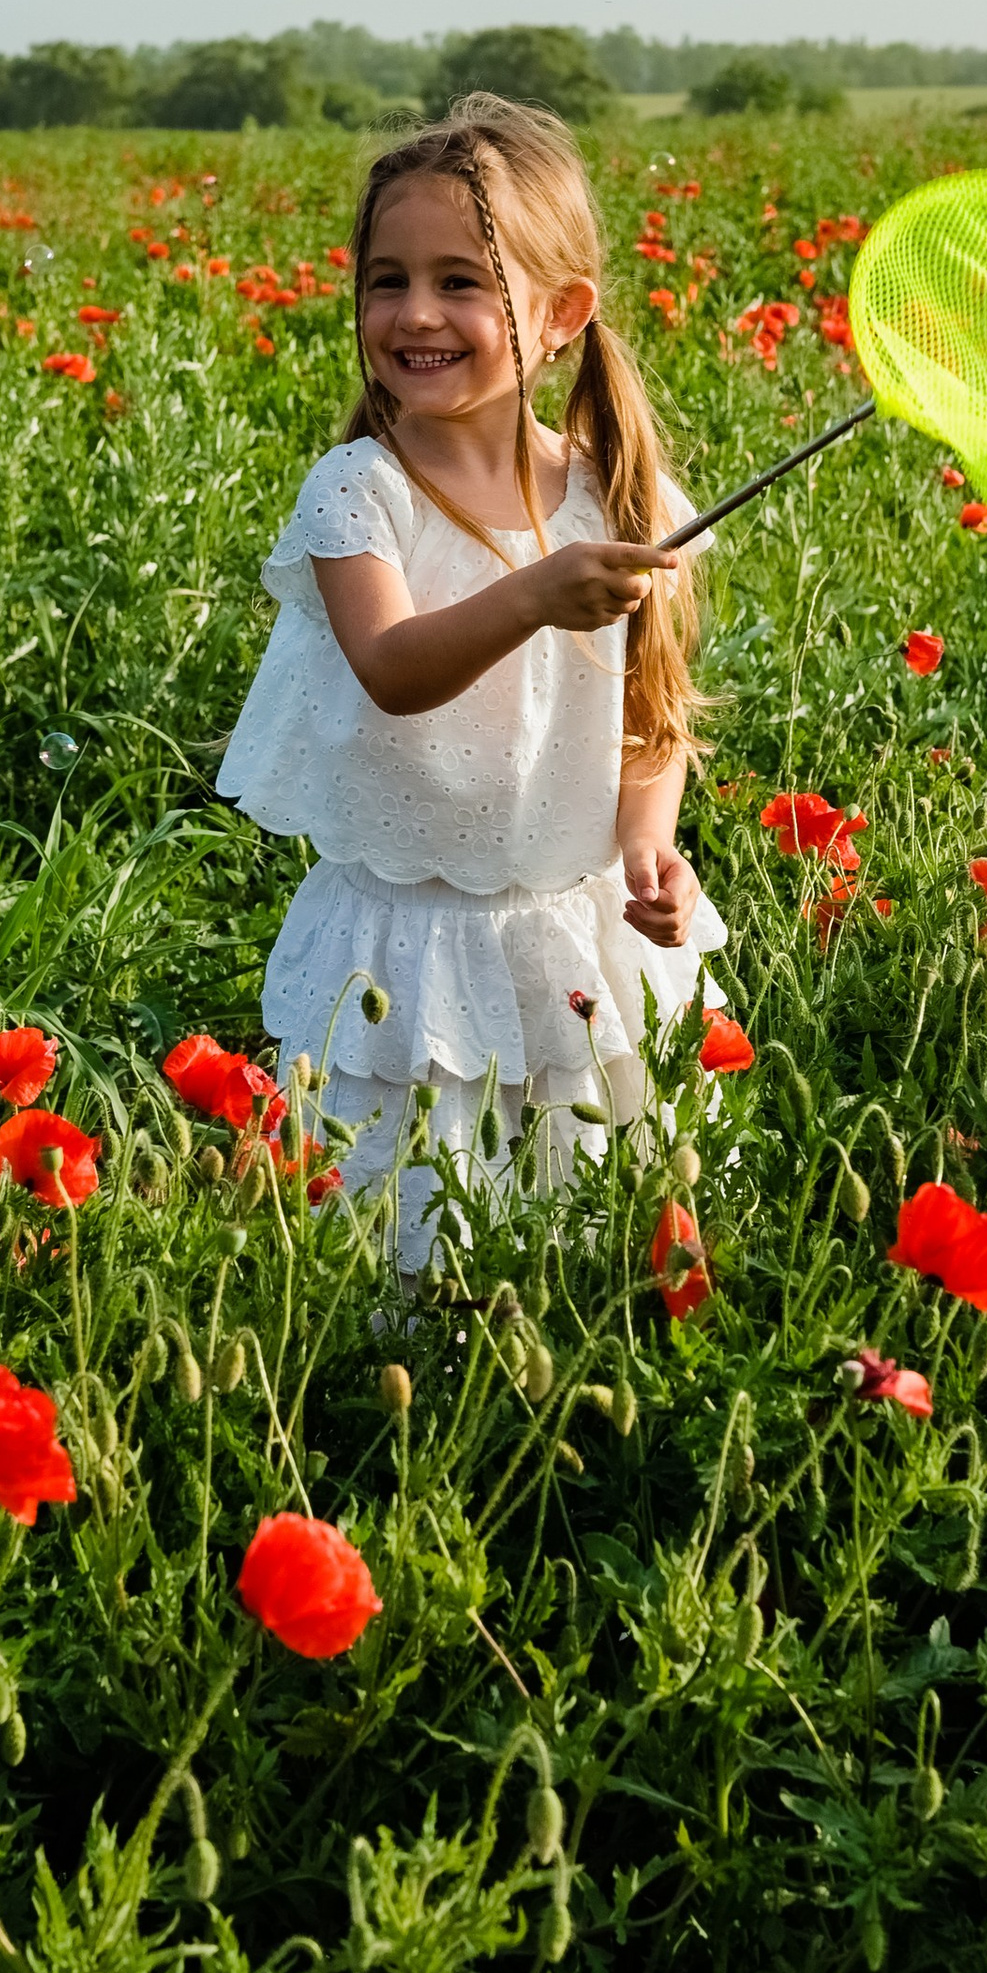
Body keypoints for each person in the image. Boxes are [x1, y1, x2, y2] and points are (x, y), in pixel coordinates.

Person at [217, 94, 726, 1266]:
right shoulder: (359, 492)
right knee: (406, 1249)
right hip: (403, 949)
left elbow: (648, 720)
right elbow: (394, 670)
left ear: (559, 316)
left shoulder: (618, 496)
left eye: (460, 282)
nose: (414, 313)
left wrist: (648, 845)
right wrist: (534, 595)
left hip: (574, 934)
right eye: (385, 281)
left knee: (588, 1240)